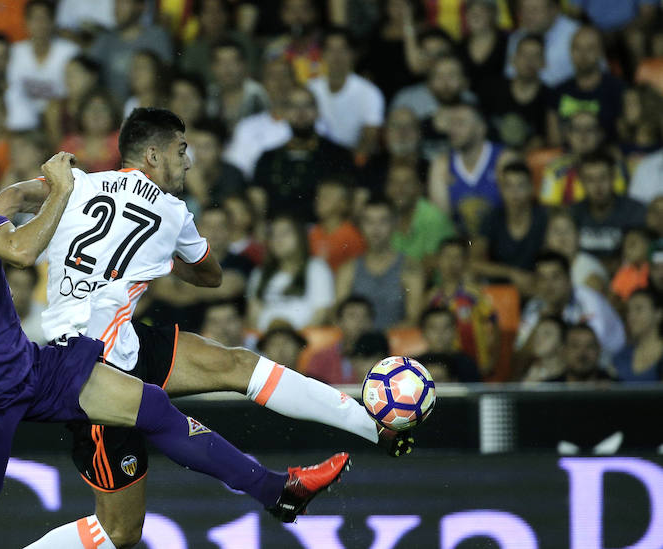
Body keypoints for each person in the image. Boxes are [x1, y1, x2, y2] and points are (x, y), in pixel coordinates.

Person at [0, 75, 361, 549]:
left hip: (23, 363)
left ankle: (276, 490)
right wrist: (62, 190)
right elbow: (22, 251)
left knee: (150, 406)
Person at [34, 106, 412, 548]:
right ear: (153, 155)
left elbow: (13, 198)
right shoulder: (172, 212)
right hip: (88, 373)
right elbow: (211, 275)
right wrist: (159, 256)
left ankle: (371, 429)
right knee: (120, 530)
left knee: (235, 363)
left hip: (118, 345)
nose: (188, 162)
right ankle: (295, 478)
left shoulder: (82, 183)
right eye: (181, 151)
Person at [252, 85, 355, 222]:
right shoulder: (268, 157)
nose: (301, 113)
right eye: (293, 106)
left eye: (307, 106)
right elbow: (258, 198)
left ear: (318, 111)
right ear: (284, 113)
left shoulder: (338, 155)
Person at [336, 199, 425, 330]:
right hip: (358, 346)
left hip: (396, 346)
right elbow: (338, 317)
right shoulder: (348, 269)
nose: (375, 229)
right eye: (369, 222)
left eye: (383, 221)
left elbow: (414, 319)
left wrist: (379, 341)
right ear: (360, 226)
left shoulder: (410, 267)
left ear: (395, 224)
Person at [515, 251, 625, 356]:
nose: (548, 286)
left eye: (555, 277)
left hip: (611, 360)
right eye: (542, 279)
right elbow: (520, 352)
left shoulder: (588, 302)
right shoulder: (535, 305)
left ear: (569, 279)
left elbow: (588, 351)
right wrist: (540, 323)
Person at [248, 214, 336, 331]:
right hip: (266, 342)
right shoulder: (259, 273)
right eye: (273, 234)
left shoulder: (317, 268)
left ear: (300, 237)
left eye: (285, 233)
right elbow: (253, 317)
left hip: (305, 342)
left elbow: (321, 314)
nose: (277, 239)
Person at [428, 102, 504, 236]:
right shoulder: (441, 164)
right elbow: (443, 222)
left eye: (460, 123)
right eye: (451, 123)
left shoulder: (502, 159)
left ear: (481, 128)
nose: (453, 129)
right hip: (461, 244)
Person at [307, 26, 384, 158]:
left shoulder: (369, 92)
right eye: (330, 50)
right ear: (322, 54)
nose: (336, 56)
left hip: (351, 158)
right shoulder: (310, 89)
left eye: (342, 50)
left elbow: (370, 136)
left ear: (353, 54)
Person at [426, 238, 499, 375]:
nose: (451, 263)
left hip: (474, 366)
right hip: (441, 367)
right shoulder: (432, 297)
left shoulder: (474, 295)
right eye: (447, 256)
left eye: (457, 257)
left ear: (465, 262)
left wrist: (492, 360)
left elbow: (493, 326)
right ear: (438, 261)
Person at [471, 160, 547, 292]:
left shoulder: (543, 218)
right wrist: (511, 273)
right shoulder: (492, 218)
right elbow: (474, 262)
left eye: (520, 186)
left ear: (531, 188)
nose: (514, 192)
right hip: (500, 288)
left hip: (538, 285)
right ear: (501, 189)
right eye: (508, 186)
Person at [4, 0, 79, 132]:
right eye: (35, 19)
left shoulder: (69, 52)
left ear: (53, 22)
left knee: (53, 111)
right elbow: (12, 90)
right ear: (26, 22)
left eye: (44, 19)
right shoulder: (15, 52)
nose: (40, 24)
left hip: (60, 113)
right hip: (24, 113)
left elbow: (76, 91)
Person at [546, 25, 625, 146]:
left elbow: (624, 137)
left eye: (590, 48)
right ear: (570, 51)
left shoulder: (618, 89)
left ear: (600, 52)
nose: (583, 55)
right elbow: (554, 142)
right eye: (577, 48)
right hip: (568, 159)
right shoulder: (558, 92)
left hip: (605, 157)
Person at [504, 0, 579, 87]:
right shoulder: (517, 36)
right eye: (523, 10)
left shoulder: (577, 36)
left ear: (554, 11)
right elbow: (510, 75)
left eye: (535, 10)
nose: (527, 16)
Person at [415, 306, 482, 383]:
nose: (440, 333)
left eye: (446, 327)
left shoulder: (468, 365)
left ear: (455, 331)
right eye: (433, 328)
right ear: (423, 332)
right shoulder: (414, 366)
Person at [612, 289, 663, 382]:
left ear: (658, 314)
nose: (631, 316)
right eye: (629, 311)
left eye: (638, 309)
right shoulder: (621, 357)